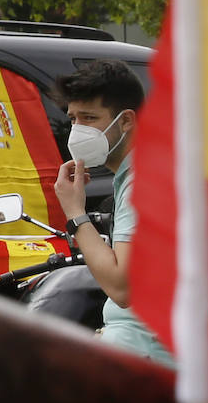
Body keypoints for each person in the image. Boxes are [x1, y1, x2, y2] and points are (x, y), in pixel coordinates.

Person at [52, 59, 174, 368]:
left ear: (126, 121)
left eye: (90, 118)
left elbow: (122, 287)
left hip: (145, 360)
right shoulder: (142, 171)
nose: (78, 130)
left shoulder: (143, 181)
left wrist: (75, 212)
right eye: (73, 119)